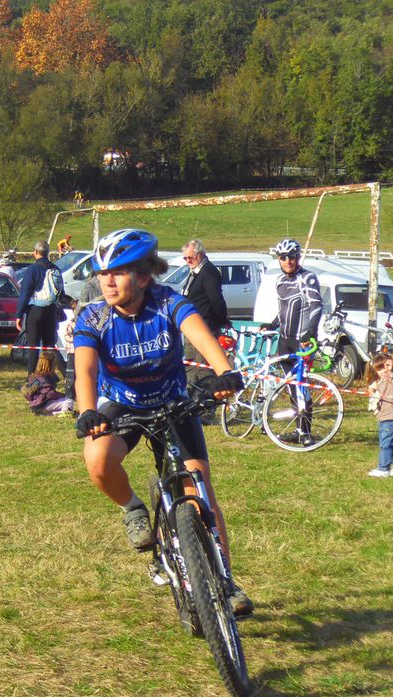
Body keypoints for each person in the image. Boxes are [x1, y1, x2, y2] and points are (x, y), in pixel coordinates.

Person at [72, 228, 251, 616]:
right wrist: (87, 411)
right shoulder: (94, 316)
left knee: (200, 489)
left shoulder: (168, 302)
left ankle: (226, 580)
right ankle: (134, 509)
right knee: (98, 460)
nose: (107, 281)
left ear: (144, 274)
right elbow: (84, 369)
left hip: (173, 401)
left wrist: (224, 372)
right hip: (123, 405)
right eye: (102, 273)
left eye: (117, 272)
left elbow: (201, 338)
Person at [260, 238, 323, 446]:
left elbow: (316, 306)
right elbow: (283, 311)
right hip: (284, 340)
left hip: (301, 342)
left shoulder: (307, 278)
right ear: (279, 259)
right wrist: (272, 325)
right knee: (291, 387)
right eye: (283, 257)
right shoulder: (279, 281)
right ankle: (297, 429)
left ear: (298, 257)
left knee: (302, 387)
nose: (288, 261)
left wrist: (310, 332)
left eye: (292, 257)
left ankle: (306, 433)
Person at [180, 239, 229, 387]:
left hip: (205, 326)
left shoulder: (208, 271)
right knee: (191, 366)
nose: (188, 261)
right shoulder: (194, 272)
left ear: (200, 255)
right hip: (192, 327)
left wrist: (221, 320)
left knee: (203, 369)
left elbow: (216, 300)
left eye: (191, 257)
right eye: (185, 258)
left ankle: (205, 401)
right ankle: (190, 398)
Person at [16, 240, 64, 375]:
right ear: (48, 253)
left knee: (33, 347)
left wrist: (19, 315)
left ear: (35, 253)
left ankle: (31, 377)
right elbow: (61, 293)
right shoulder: (55, 269)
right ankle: (50, 375)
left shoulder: (32, 269)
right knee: (49, 347)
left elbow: (25, 293)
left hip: (35, 311)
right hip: (52, 311)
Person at [365, 352, 393, 477]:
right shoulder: (379, 380)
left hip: (392, 416)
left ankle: (383, 468)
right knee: (390, 444)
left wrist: (392, 371)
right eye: (380, 368)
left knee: (386, 444)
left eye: (387, 366)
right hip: (383, 417)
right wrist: (372, 389)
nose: (384, 370)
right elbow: (373, 390)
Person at [22, 350, 74, 415]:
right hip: (42, 406)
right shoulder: (45, 378)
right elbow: (50, 394)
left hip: (35, 406)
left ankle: (52, 413)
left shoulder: (34, 375)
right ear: (51, 364)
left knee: (63, 401)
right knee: (68, 401)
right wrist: (63, 396)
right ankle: (60, 413)